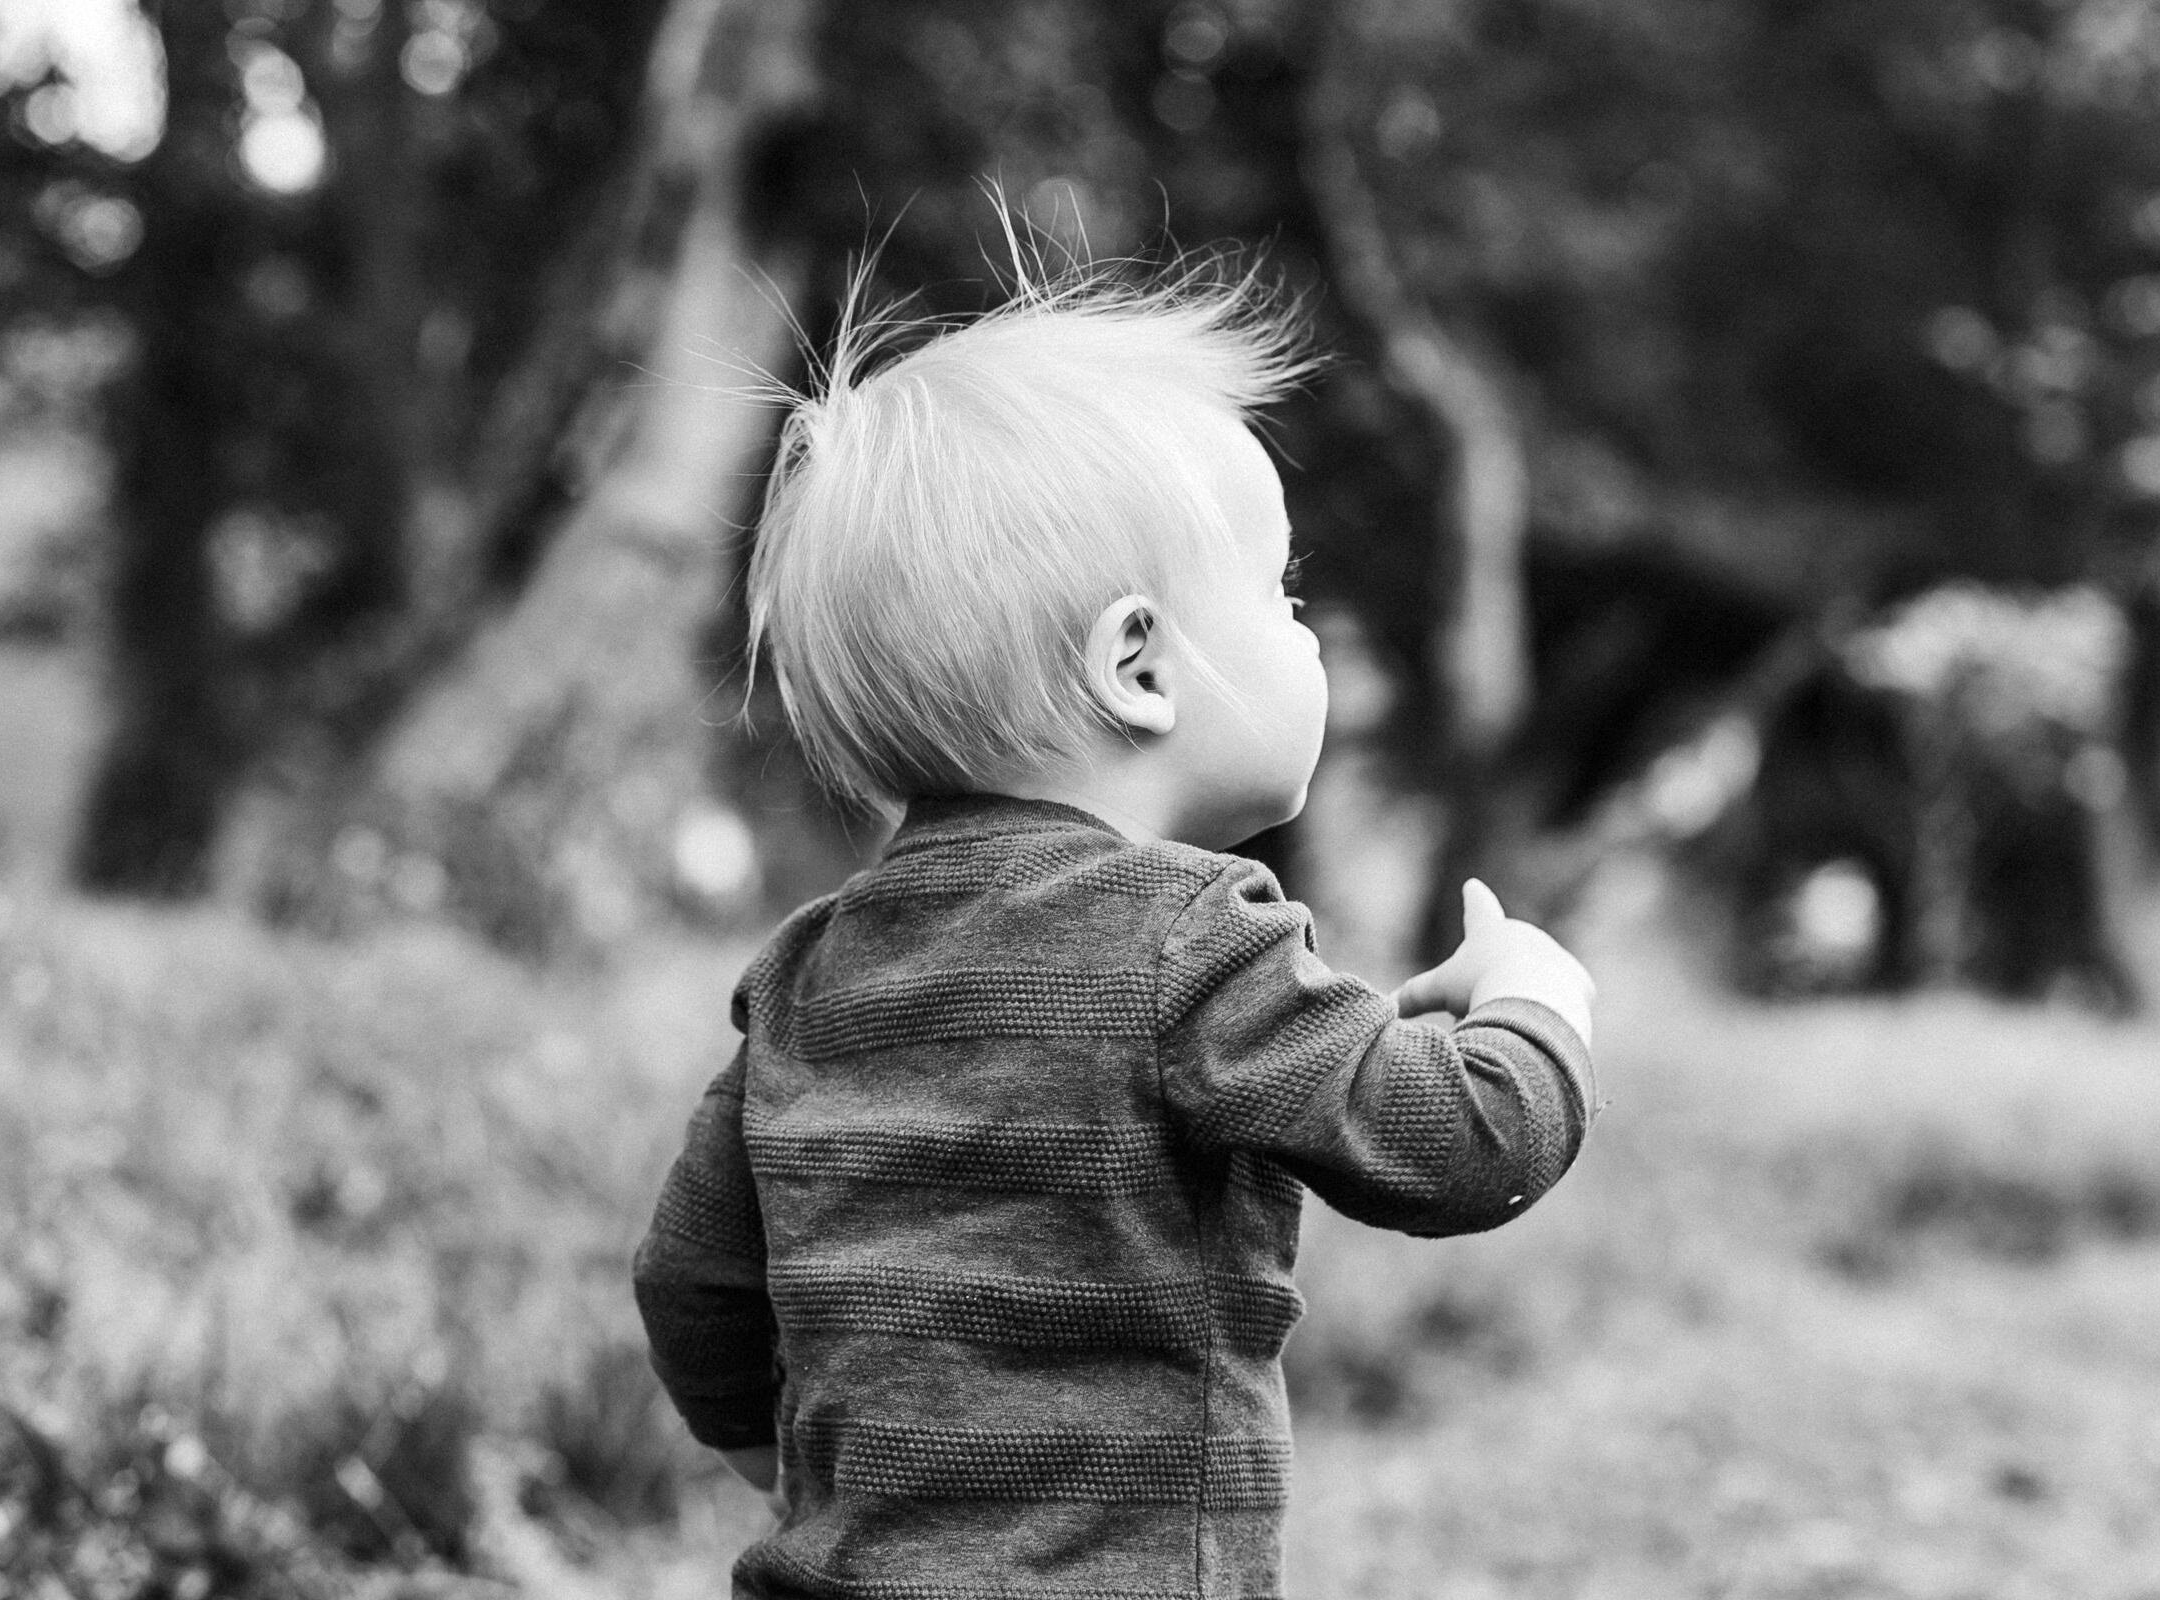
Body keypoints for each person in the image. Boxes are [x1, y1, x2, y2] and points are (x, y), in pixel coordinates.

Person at [633, 259, 1597, 1600]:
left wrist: (761, 1445)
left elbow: (692, 1277)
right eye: (1282, 594)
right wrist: (1539, 1005)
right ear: (1138, 666)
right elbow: (1455, 1145)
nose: (1307, 639)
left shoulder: (804, 975)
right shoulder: (1187, 939)